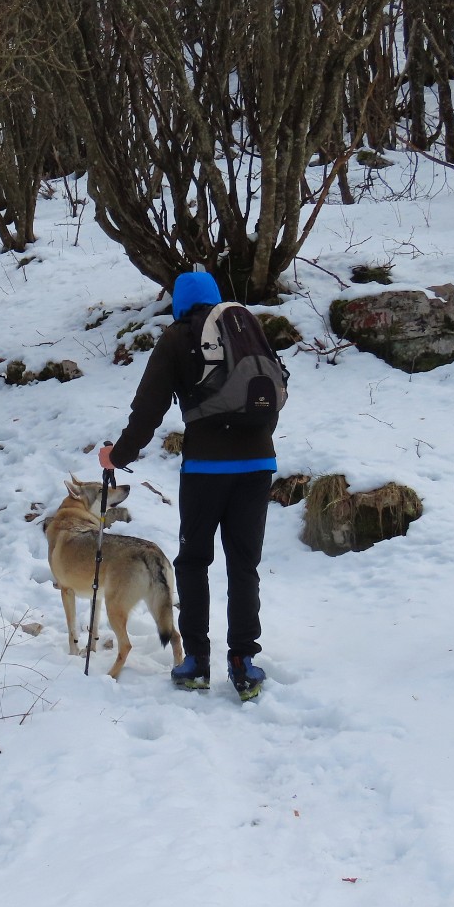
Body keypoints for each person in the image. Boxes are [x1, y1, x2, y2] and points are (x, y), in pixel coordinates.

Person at [98, 270, 277, 700]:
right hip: (258, 465)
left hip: (206, 471)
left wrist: (116, 456)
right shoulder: (244, 328)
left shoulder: (178, 338)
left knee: (195, 562)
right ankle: (244, 662)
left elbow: (148, 409)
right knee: (244, 564)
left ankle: (196, 661)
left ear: (178, 302)